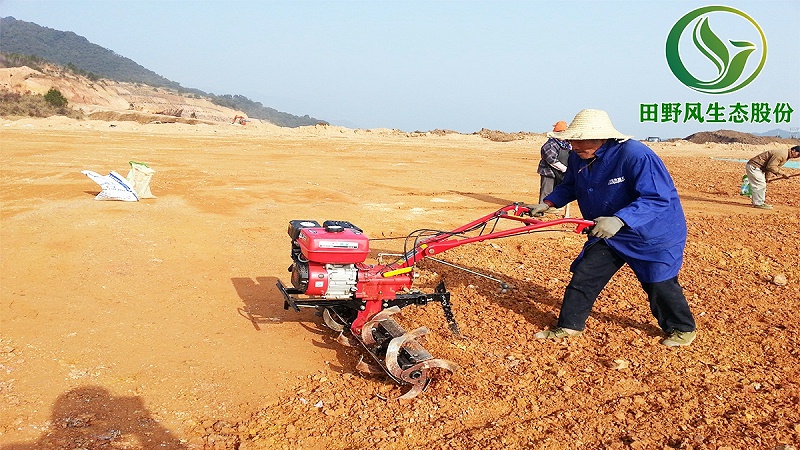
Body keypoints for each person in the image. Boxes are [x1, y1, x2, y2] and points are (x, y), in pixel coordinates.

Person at [523, 109, 697, 347]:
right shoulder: (579, 156)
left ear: (601, 137)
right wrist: (549, 203)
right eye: (571, 140)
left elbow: (657, 197)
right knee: (586, 274)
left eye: (578, 140)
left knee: (658, 282)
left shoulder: (635, 155)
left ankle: (682, 329)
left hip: (650, 233)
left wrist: (620, 219)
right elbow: (571, 186)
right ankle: (569, 326)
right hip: (608, 232)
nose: (573, 145)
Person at [745, 145, 800, 210]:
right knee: (760, 184)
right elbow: (771, 166)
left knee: (760, 184)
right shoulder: (782, 154)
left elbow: (770, 167)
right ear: (793, 150)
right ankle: (758, 203)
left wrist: (767, 177)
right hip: (754, 167)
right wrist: (783, 173)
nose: (798, 156)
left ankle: (757, 202)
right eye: (798, 154)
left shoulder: (786, 155)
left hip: (758, 168)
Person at [537, 121, 572, 207]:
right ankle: (542, 209)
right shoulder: (550, 144)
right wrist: (565, 169)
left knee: (558, 190)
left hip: (561, 172)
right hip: (549, 172)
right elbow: (551, 160)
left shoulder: (567, 144)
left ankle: (554, 208)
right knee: (547, 191)